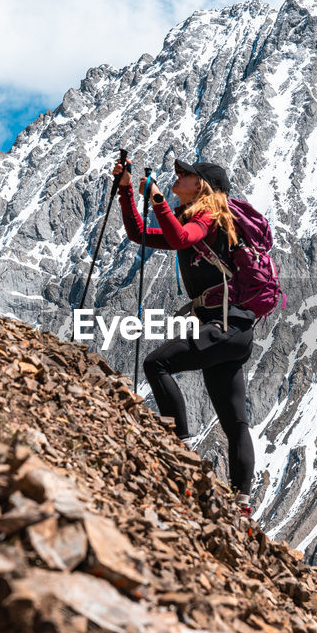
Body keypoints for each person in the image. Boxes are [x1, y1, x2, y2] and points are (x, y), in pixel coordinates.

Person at [115, 157, 256, 518]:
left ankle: (179, 448)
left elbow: (179, 238)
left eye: (185, 174)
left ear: (203, 185)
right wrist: (127, 189)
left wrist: (159, 200)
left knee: (156, 362)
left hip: (222, 325)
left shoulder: (209, 218)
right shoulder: (199, 220)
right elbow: (138, 234)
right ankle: (242, 506)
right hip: (231, 330)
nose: (177, 177)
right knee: (234, 419)